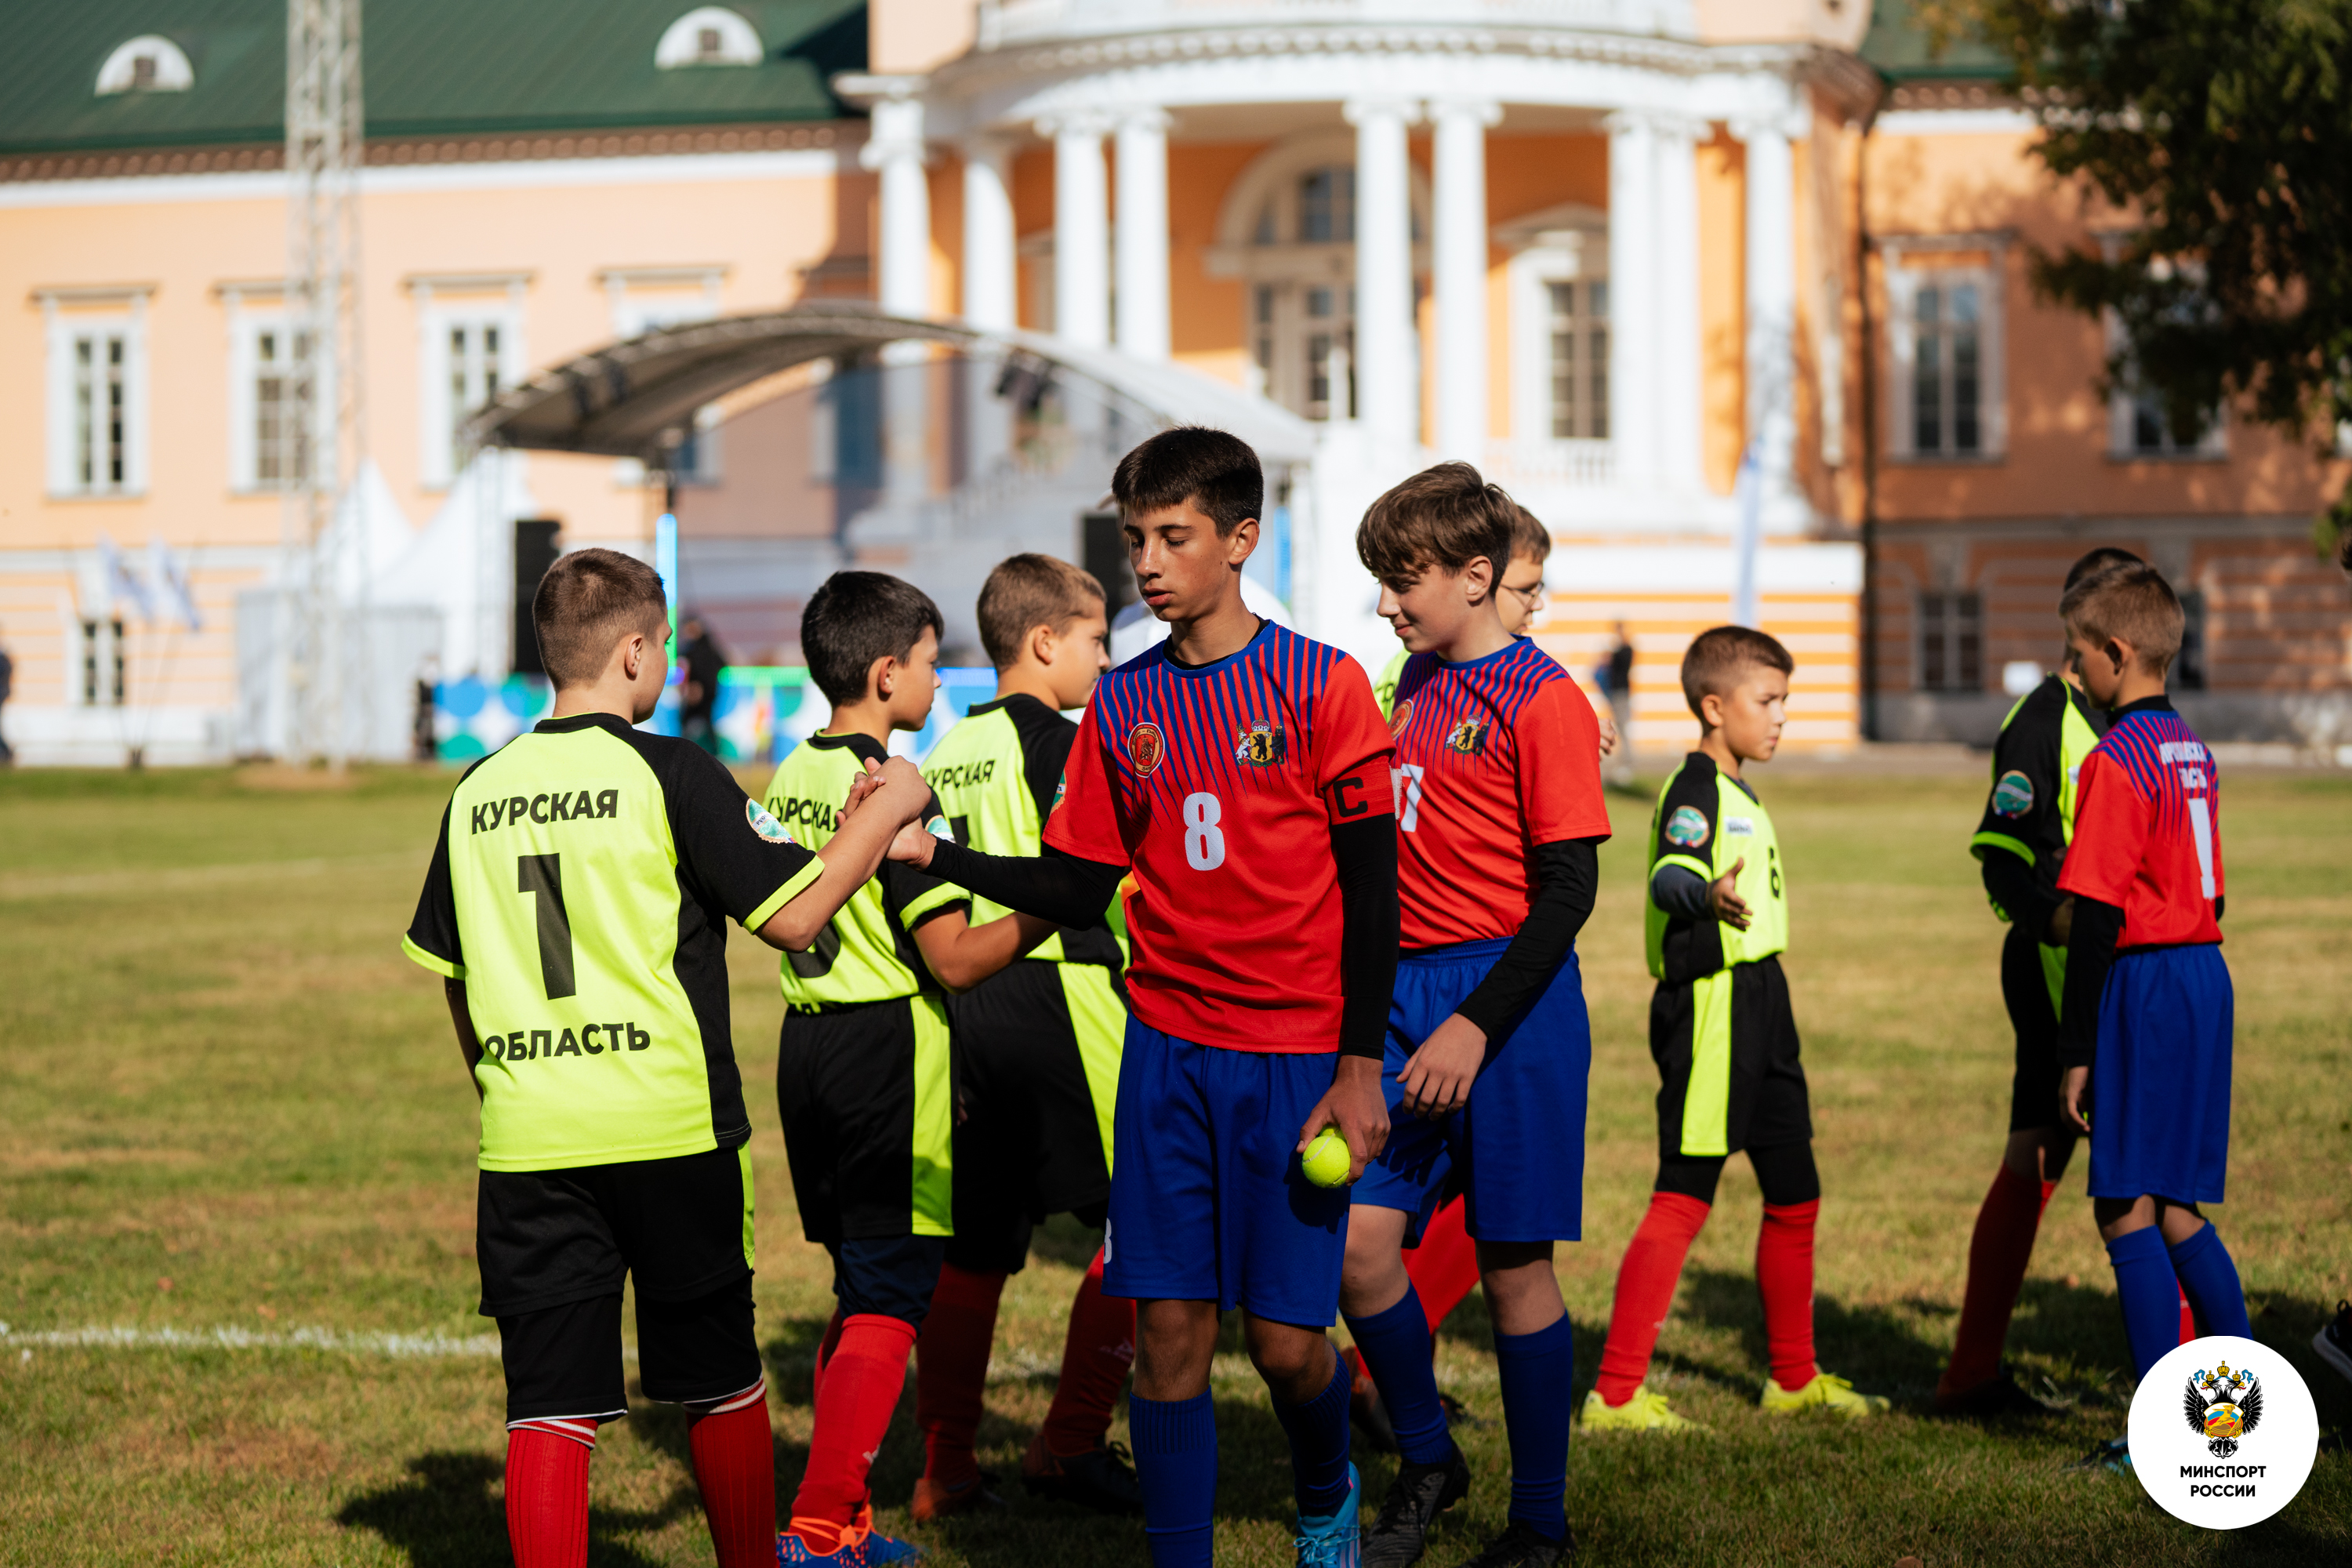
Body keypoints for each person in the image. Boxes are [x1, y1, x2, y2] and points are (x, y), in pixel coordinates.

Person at [884, 426, 1399, 1568]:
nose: (1150, 563)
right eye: (1134, 541)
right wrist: (948, 860)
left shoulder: (1326, 687)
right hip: (1166, 1055)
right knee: (1167, 1333)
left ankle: (1327, 1494)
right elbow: (1078, 881)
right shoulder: (1119, 706)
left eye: (1175, 537)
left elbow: (1375, 893)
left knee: (1283, 1347)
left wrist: (1361, 1065)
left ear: (1241, 540)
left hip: (1296, 1059)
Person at [400, 547, 935, 1568]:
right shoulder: (669, 770)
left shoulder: (477, 789)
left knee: (551, 1407)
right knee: (720, 1379)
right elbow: (800, 914)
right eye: (669, 648)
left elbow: (453, 971)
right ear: (637, 653)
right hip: (669, 1126)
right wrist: (886, 813)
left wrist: (502, 1079)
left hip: (530, 1133)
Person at [1339, 464, 1611, 1568]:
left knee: (1513, 1267)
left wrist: (1478, 1025)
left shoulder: (1543, 698)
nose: (1388, 603)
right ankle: (1428, 1455)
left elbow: (1570, 892)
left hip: (1511, 1004)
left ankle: (1538, 1526)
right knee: (1358, 1252)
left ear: (1476, 576)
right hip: (1404, 998)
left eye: (1403, 581)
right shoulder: (1409, 678)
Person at [761, 572, 1057, 1564]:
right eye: (931, 662)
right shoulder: (893, 790)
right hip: (891, 1055)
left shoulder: (788, 777)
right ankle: (817, 1525)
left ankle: (844, 1520)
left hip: (807, 1047)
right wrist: (1064, 902)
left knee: (862, 1280)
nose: (939, 680)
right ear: (889, 673)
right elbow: (957, 957)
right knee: (893, 1292)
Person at [1581, 626, 1889, 1432]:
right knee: (1685, 1191)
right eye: (1768, 700)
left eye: (1786, 700)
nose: (1782, 716)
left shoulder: (1741, 787)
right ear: (1714, 708)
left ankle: (1792, 1376)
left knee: (1796, 1191)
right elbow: (1673, 874)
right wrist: (1703, 895)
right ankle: (1614, 1395)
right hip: (1716, 1004)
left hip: (1764, 999)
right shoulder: (1696, 788)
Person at [907, 553, 1144, 1521]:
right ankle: (1072, 1441)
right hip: (1068, 1003)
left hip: (974, 1017)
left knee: (978, 1249)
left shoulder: (941, 752)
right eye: (1094, 640)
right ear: (1044, 641)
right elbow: (1100, 872)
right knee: (1149, 1228)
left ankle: (945, 1466)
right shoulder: (1063, 743)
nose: (1102, 659)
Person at [1934, 547, 2182, 1417]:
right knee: (2068, 1161)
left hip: (2136, 976)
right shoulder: (2044, 720)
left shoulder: (2143, 719)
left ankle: (2185, 1377)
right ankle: (1974, 1371)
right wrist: (2060, 919)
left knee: (2126, 1167)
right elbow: (2001, 860)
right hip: (2056, 977)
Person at [2053, 561, 2248, 1454]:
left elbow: (2094, 914)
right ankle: (2238, 1405)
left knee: (2123, 1204)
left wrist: (2077, 1043)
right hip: (2205, 973)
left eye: (2079, 653)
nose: (2075, 670)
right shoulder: (2190, 748)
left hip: (2149, 982)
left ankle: (2153, 1433)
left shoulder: (2114, 760)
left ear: (2116, 652)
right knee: (2176, 1204)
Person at [677, 613, 728, 754]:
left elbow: (717, 666)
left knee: (699, 727)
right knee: (696, 726)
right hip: (705, 695)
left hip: (705, 695)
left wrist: (702, 688)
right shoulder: (696, 648)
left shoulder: (704, 649)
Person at [1597, 624, 1635, 786]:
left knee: (1623, 731)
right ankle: (1622, 766)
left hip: (1621, 693)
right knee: (1619, 729)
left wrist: (1611, 653)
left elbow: (1618, 663)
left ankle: (1626, 766)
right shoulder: (1619, 651)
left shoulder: (1625, 651)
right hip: (1616, 693)